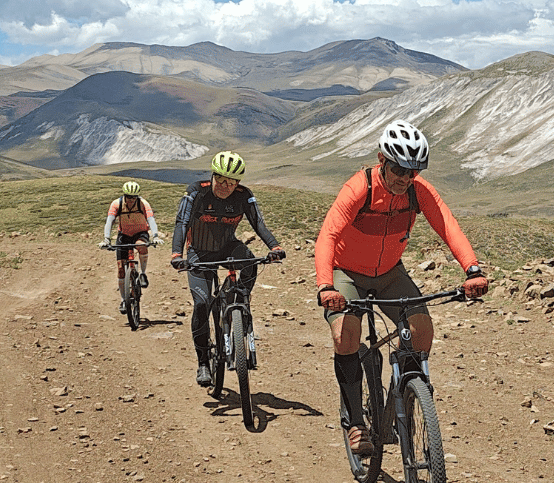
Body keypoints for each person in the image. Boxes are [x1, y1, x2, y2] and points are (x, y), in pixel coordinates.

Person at [315, 119, 489, 457]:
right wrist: (325, 285)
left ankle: (404, 398)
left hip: (389, 274)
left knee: (422, 330)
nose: (404, 178)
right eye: (398, 168)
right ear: (382, 159)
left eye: (413, 171)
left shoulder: (417, 190)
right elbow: (328, 237)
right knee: (345, 335)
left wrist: (472, 269)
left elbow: (448, 226)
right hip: (347, 273)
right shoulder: (359, 189)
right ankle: (354, 422)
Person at [170, 151, 286, 386]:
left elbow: (258, 224)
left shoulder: (244, 196)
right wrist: (177, 254)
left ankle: (238, 302)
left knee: (251, 264)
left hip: (227, 247)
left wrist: (275, 246)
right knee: (202, 304)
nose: (225, 186)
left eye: (231, 182)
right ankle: (203, 362)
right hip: (199, 253)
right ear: (212, 176)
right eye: (221, 180)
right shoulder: (196, 191)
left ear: (238, 183)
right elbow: (181, 223)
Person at [104, 180, 160, 314]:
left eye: (134, 197)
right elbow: (110, 221)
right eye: (128, 197)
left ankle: (143, 274)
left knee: (141, 246)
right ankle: (124, 299)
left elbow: (151, 219)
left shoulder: (143, 204)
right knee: (120, 269)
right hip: (124, 235)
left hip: (140, 232)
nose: (131, 200)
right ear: (124, 195)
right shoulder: (117, 204)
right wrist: (106, 239)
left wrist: (156, 236)